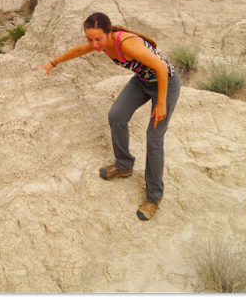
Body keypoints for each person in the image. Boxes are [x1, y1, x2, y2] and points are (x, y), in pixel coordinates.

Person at [39, 12, 181, 221]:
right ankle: (124, 165)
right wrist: (53, 62)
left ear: (109, 32)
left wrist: (161, 103)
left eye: (98, 39)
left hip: (165, 85)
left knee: (154, 138)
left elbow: (161, 67)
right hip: (142, 81)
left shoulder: (126, 44)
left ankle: (154, 197)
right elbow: (79, 50)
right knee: (116, 115)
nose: (94, 44)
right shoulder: (101, 43)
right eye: (90, 39)